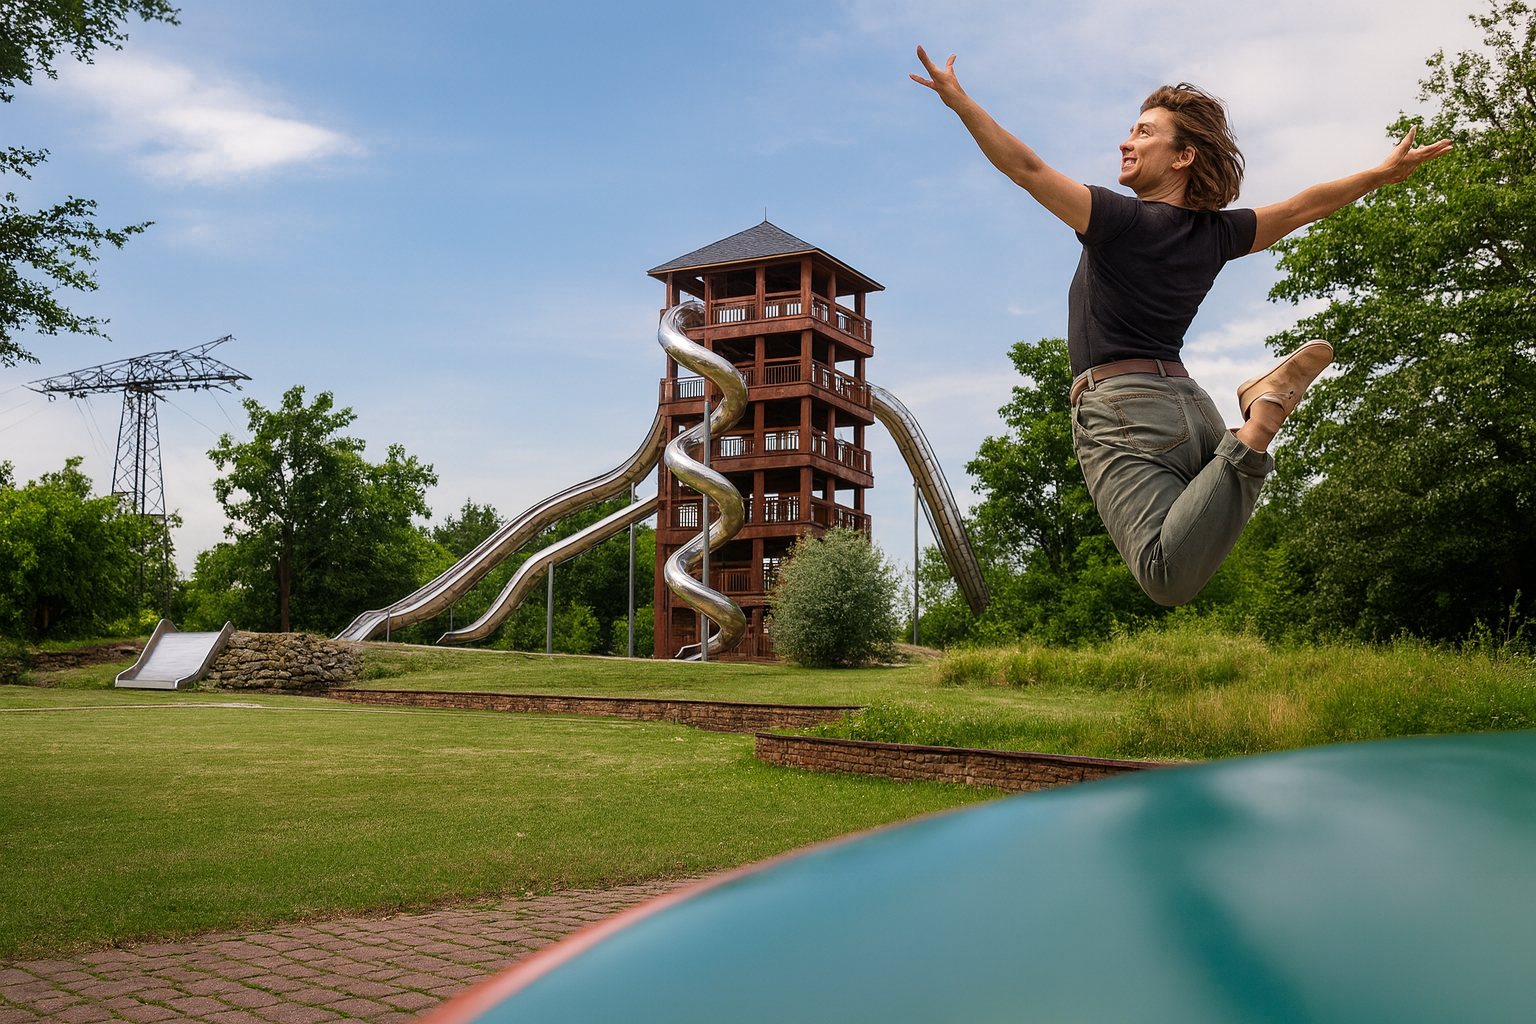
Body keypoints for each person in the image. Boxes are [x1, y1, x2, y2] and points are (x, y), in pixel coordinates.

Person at [911, 47, 1452, 606]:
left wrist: (959, 102)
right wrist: (1379, 175)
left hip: (1124, 409)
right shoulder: (1216, 234)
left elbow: (1026, 169)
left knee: (1165, 575)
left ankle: (1261, 420)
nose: (1126, 141)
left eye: (1144, 133)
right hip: (1191, 407)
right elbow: (1299, 209)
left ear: (1182, 157)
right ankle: (1252, 421)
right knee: (1208, 518)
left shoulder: (1118, 220)